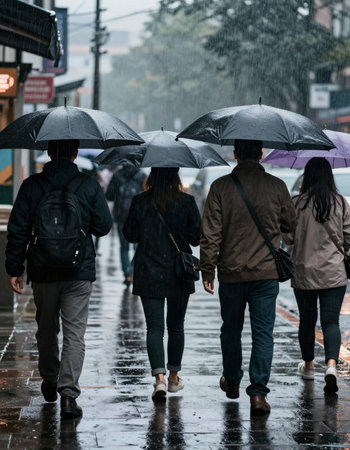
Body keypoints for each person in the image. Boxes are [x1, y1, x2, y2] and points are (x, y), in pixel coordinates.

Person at [5, 140, 113, 419]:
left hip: (43, 270)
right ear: (75, 153)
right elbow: (103, 227)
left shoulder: (32, 185)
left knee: (46, 327)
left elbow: (17, 228)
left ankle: (50, 378)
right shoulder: (88, 185)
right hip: (79, 271)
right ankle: (68, 394)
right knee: (75, 333)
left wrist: (14, 268)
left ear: (49, 153)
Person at [200, 139, 296, 415]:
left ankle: (231, 380)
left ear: (235, 154)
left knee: (230, 330)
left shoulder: (220, 187)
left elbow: (210, 234)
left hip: (230, 273)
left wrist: (208, 269)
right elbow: (291, 224)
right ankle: (258, 394)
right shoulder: (277, 186)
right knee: (263, 333)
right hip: (265, 275)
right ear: (262, 154)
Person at [123, 167, 201, 401]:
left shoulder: (140, 201)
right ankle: (174, 378)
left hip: (149, 270)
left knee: (154, 328)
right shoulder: (186, 202)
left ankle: (159, 379)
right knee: (176, 326)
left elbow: (130, 235)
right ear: (176, 176)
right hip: (179, 271)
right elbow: (196, 237)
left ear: (152, 176)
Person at [282, 157, 350, 394]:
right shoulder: (340, 203)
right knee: (330, 321)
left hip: (304, 272)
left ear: (307, 177)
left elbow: (287, 238)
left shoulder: (297, 204)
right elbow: (349, 237)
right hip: (334, 273)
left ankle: (309, 366)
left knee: (307, 321)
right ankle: (331, 364)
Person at [106, 165, 146, 286]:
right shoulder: (142, 176)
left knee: (123, 247)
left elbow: (109, 196)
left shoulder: (117, 175)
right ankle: (133, 271)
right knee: (137, 246)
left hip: (121, 215)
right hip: (139, 217)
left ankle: (127, 273)